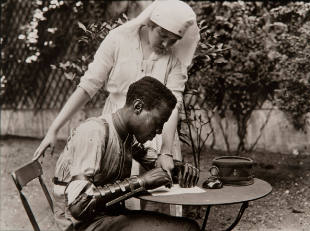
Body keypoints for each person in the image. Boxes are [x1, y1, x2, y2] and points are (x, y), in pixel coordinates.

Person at [33, 0, 200, 182]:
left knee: (158, 194)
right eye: (163, 35)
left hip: (158, 136)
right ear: (151, 23)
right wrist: (54, 129)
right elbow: (88, 86)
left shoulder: (175, 57)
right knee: (112, 193)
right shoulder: (118, 39)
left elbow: (173, 104)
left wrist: (166, 152)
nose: (167, 44)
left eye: (173, 40)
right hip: (117, 132)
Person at [52, 77, 200, 231]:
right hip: (81, 225)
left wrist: (179, 169)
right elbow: (78, 206)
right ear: (138, 107)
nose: (159, 131)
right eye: (158, 122)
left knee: (187, 226)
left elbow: (154, 163)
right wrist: (142, 182)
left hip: (107, 216)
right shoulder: (94, 132)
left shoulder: (127, 136)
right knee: (187, 229)